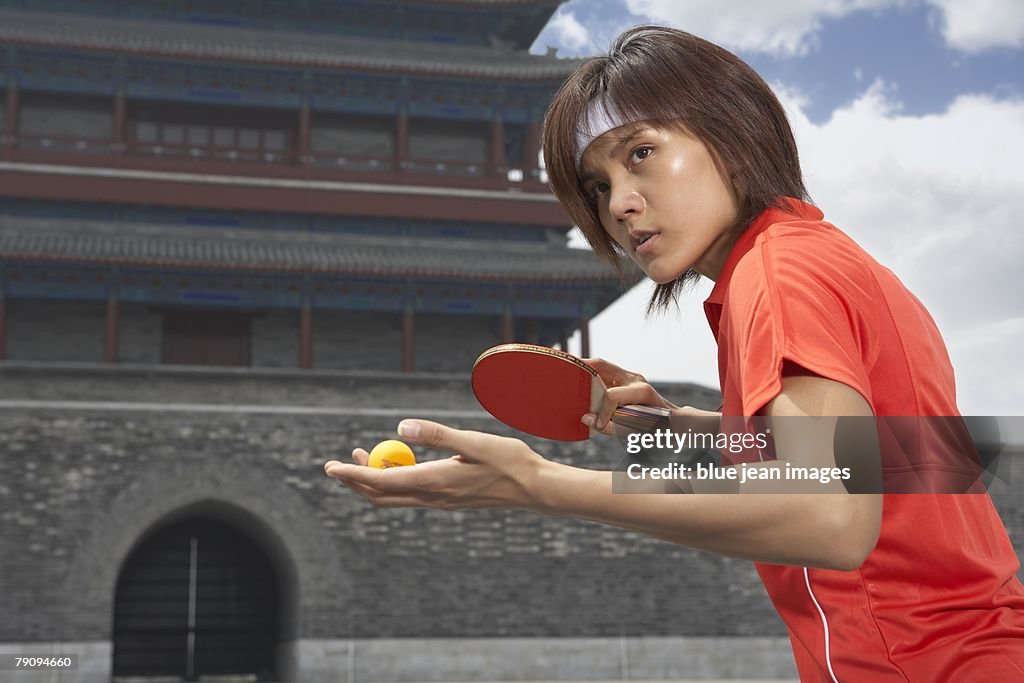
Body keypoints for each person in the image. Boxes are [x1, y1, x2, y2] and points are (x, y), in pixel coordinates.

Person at [325, 25, 1024, 681]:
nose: (619, 205)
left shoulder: (776, 278)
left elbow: (833, 516)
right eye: (597, 187)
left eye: (640, 153)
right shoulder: (827, 257)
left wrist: (538, 484)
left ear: (735, 134)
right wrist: (675, 424)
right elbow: (901, 457)